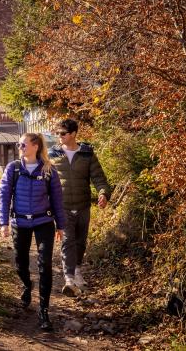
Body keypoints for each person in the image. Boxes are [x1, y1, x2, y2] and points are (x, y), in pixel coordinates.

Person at [0, 133, 66, 331]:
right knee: (20, 262)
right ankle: (27, 285)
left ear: (35, 146)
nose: (19, 147)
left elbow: (57, 199)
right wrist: (3, 223)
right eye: (19, 144)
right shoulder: (13, 168)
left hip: (44, 222)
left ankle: (43, 310)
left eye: (23, 144)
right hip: (19, 222)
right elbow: (4, 195)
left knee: (45, 264)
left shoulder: (48, 169)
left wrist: (61, 225)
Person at [49, 118, 111, 297]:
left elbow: (99, 178)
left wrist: (103, 194)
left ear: (73, 134)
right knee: (68, 241)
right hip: (62, 207)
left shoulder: (87, 154)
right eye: (57, 133)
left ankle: (77, 270)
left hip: (83, 206)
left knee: (80, 242)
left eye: (63, 133)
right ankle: (69, 279)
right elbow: (45, 180)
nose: (59, 136)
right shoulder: (52, 154)